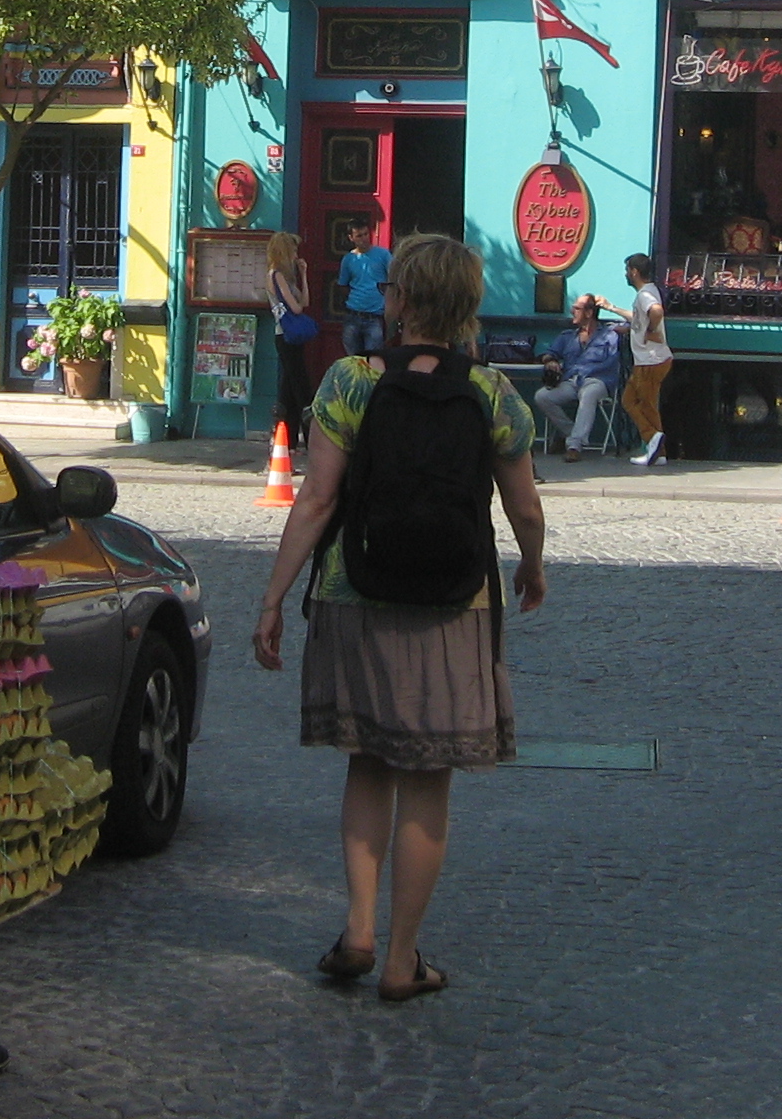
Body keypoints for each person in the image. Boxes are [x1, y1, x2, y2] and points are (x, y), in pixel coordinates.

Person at [252, 232, 547, 1005]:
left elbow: (316, 500)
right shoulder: (493, 393)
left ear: (403, 300)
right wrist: (533, 564)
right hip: (455, 602)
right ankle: (402, 958)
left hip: (356, 591)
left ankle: (357, 928)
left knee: (369, 762)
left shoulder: (350, 381)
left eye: (390, 289)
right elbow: (524, 506)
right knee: (426, 777)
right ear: (466, 306)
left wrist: (274, 597)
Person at [532, 295, 622, 462]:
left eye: (577, 308)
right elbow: (548, 353)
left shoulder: (609, 335)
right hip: (572, 380)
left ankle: (574, 446)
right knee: (542, 396)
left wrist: (611, 308)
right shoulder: (567, 336)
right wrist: (550, 361)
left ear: (589, 312)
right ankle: (571, 434)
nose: (572, 311)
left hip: (597, 380)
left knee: (589, 394)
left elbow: (637, 326)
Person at [602, 253, 672, 466]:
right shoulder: (648, 291)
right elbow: (640, 318)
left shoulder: (645, 295)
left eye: (627, 270)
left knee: (640, 405)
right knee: (635, 402)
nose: (626, 274)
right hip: (650, 360)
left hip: (650, 360)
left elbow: (656, 311)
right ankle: (658, 451)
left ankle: (653, 439)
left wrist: (649, 331)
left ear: (634, 272)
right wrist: (614, 310)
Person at [268, 230, 319, 450]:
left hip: (291, 337)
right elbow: (296, 308)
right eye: (293, 250)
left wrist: (303, 275)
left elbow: (304, 301)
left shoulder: (287, 278)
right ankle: (309, 436)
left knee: (289, 388)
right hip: (285, 336)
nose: (296, 254)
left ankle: (287, 439)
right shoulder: (276, 275)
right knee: (301, 386)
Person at [335, 218, 392, 359]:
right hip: (353, 315)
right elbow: (343, 285)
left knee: (373, 360)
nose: (364, 239)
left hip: (375, 317)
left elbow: (394, 280)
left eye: (366, 234)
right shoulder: (349, 259)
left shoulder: (383, 255)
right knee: (353, 361)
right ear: (351, 238)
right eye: (359, 236)